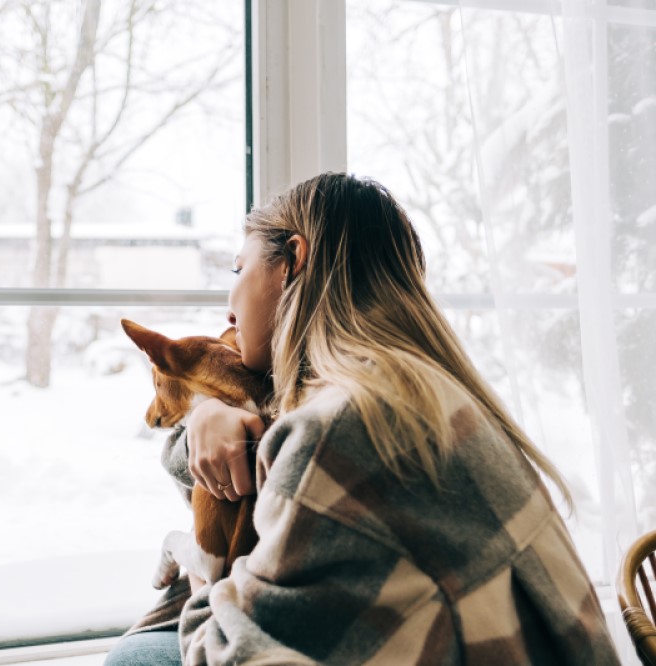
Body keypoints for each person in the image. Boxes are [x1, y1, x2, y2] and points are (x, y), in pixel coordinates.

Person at [105, 173, 618, 665]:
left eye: (239, 270)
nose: (229, 308)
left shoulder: (339, 430)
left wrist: (204, 585)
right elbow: (241, 503)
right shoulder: (415, 392)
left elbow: (230, 647)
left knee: (137, 658)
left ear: (292, 260)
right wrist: (211, 409)